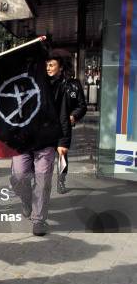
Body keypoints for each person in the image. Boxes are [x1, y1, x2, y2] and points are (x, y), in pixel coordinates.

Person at [10, 57, 72, 235]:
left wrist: (63, 142)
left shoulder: (59, 87)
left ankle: (39, 220)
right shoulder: (22, 84)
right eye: (43, 64)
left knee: (43, 181)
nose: (46, 68)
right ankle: (26, 200)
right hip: (22, 142)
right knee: (19, 177)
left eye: (50, 65)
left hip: (46, 143)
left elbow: (63, 115)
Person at [57, 61, 87, 193]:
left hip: (64, 125)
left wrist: (73, 116)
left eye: (52, 65)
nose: (48, 68)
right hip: (46, 126)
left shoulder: (74, 84)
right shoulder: (47, 83)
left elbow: (82, 106)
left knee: (62, 154)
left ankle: (61, 181)